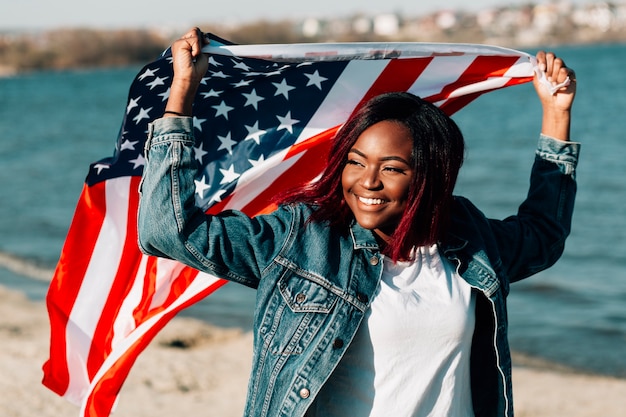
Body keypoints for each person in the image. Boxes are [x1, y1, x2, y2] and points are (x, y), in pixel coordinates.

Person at [137, 28, 578, 417]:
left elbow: (543, 234)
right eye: (356, 161)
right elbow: (166, 230)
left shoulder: (468, 239)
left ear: (429, 176)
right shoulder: (302, 239)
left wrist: (556, 115)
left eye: (392, 168)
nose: (368, 182)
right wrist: (181, 98)